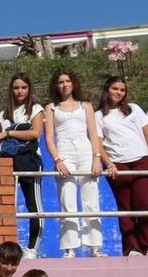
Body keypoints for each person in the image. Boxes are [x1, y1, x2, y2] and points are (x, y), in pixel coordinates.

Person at [43, 70, 104, 258]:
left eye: (68, 81)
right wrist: (57, 160)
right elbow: (49, 137)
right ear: (56, 86)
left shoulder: (85, 105)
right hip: (64, 151)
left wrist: (96, 158)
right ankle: (70, 248)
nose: (64, 85)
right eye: (61, 82)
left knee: (91, 199)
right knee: (67, 200)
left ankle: (94, 247)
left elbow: (94, 134)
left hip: (85, 150)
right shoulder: (51, 108)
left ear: (73, 83)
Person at [95, 77, 148, 256]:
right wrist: (109, 164)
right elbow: (98, 143)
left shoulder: (134, 109)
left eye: (122, 90)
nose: (119, 93)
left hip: (141, 160)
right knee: (125, 206)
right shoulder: (98, 115)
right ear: (107, 90)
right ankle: (131, 248)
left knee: (143, 204)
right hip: (118, 163)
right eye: (115, 89)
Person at [0, 75, 46, 257]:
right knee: (7, 205)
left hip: (30, 161)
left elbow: (35, 133)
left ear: (29, 89)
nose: (20, 91)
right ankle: (8, 249)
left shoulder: (35, 109)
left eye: (24, 87)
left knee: (34, 205)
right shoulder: (2, 115)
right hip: (7, 163)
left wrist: (9, 133)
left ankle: (33, 248)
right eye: (16, 87)